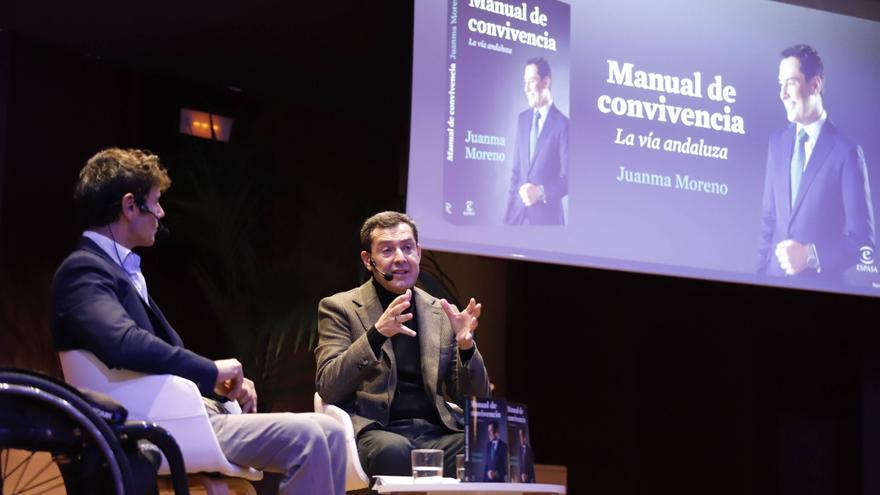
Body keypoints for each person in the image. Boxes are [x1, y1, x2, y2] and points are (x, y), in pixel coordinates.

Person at [49, 148, 346, 495]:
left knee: (332, 432)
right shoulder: (84, 270)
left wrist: (216, 384)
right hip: (154, 424)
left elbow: (155, 357)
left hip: (184, 412)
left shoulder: (114, 270)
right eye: (155, 202)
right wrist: (212, 371)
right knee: (308, 437)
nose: (161, 213)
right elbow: (124, 343)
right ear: (130, 206)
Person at [315, 211, 491, 480]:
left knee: (485, 448)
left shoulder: (442, 312)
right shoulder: (340, 308)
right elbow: (328, 386)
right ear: (368, 260)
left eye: (407, 248)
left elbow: (476, 403)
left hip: (435, 432)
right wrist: (376, 334)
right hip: (377, 430)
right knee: (394, 452)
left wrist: (466, 347)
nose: (400, 258)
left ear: (418, 253)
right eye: (387, 250)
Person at [757, 44, 875, 284]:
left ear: (815, 85)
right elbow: (769, 221)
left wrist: (810, 256)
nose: (782, 94)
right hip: (771, 284)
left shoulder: (847, 152)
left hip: (820, 293)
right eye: (780, 84)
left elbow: (863, 242)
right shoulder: (776, 143)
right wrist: (756, 279)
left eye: (790, 83)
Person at [504, 56, 569, 225]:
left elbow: (568, 179)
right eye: (524, 82)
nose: (526, 89)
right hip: (517, 219)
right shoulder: (522, 120)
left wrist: (540, 193)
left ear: (545, 82)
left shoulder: (563, 125)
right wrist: (507, 219)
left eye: (531, 81)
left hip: (548, 223)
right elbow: (516, 174)